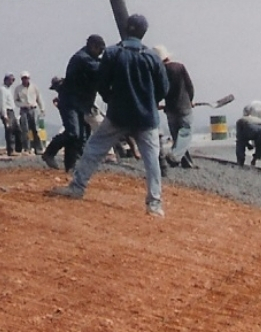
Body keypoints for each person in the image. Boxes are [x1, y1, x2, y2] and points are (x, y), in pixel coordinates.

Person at [50, 13, 169, 218]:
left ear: (126, 28)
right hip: (147, 117)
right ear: (143, 33)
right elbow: (163, 88)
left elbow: (102, 83)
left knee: (94, 149)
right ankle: (154, 204)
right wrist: (150, 102)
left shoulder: (113, 53)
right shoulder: (152, 57)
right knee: (151, 161)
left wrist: (111, 98)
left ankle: (77, 187)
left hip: (118, 114)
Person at [42, 34, 106, 172]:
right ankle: (50, 152)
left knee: (80, 137)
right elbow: (99, 69)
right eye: (100, 49)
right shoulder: (82, 58)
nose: (101, 52)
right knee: (73, 133)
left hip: (81, 103)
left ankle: (70, 166)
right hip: (69, 102)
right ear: (92, 46)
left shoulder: (91, 59)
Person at [154, 46, 195, 168]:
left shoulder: (159, 71)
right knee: (185, 133)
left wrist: (156, 103)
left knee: (177, 136)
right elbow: (189, 86)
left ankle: (186, 162)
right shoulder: (179, 67)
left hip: (170, 108)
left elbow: (159, 90)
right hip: (184, 106)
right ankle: (175, 156)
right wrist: (190, 100)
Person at [235, 102, 261, 170]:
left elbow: (240, 138)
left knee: (240, 143)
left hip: (249, 126)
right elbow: (260, 145)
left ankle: (240, 163)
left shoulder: (241, 120)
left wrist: (247, 144)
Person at [14, 71, 44, 154]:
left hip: (33, 109)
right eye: (23, 78)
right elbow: (16, 101)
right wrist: (23, 104)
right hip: (23, 110)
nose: (25, 80)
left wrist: (42, 109)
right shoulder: (18, 89)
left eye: (26, 78)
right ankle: (27, 148)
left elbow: (39, 98)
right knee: (25, 130)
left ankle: (38, 148)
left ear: (29, 78)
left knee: (35, 129)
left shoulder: (34, 87)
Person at [2, 73, 23, 156]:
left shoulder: (8, 89)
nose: (12, 82)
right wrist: (5, 115)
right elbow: (2, 103)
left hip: (11, 111)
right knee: (10, 130)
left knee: (17, 130)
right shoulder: (2, 90)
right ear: (6, 79)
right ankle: (11, 150)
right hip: (7, 111)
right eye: (11, 80)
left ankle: (18, 149)